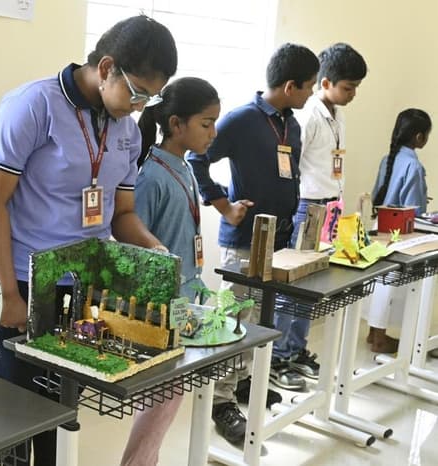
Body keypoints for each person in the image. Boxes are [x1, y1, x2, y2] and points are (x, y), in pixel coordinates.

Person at [0, 15, 176, 465]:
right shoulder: (33, 104)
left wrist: (152, 248)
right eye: (138, 91)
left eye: (152, 96)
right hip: (25, 282)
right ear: (106, 67)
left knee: (60, 409)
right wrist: (7, 291)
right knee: (16, 416)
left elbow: (122, 214)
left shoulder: (126, 126)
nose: (142, 106)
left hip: (83, 289)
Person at [187, 43, 319, 445]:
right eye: (309, 86)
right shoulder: (244, 119)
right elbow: (198, 159)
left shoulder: (289, 123)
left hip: (277, 241)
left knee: (258, 324)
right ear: (291, 85)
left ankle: (244, 382)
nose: (311, 94)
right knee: (233, 322)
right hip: (244, 242)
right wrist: (224, 206)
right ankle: (220, 402)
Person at [124, 77, 219, 465]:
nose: (213, 132)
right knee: (164, 396)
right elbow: (133, 246)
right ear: (176, 124)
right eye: (206, 123)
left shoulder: (183, 166)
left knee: (169, 395)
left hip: (186, 298)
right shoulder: (150, 176)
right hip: (161, 304)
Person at [273, 43, 367, 383]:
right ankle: (278, 358)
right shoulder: (307, 115)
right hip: (307, 208)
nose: (353, 93)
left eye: (356, 87)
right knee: (293, 286)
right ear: (325, 82)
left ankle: (295, 350)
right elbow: (292, 166)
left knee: (311, 285)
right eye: (348, 87)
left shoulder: (337, 115)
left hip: (329, 207)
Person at [365, 109, 432, 353]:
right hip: (399, 233)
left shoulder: (388, 159)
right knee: (393, 286)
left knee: (378, 283)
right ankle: (381, 339)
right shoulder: (413, 165)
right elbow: (415, 208)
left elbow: (377, 194)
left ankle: (373, 334)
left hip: (379, 227)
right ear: (418, 137)